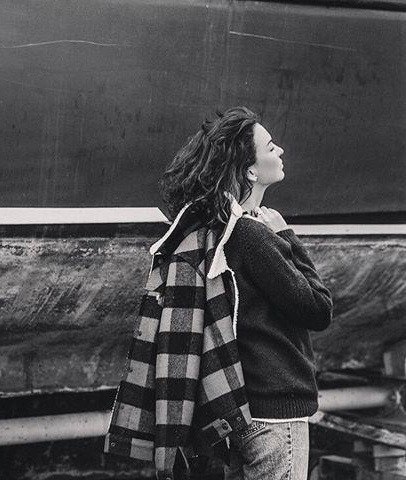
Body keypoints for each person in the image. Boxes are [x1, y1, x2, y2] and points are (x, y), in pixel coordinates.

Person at [158, 105, 334, 480]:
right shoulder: (253, 236)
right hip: (275, 416)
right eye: (270, 147)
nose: (280, 150)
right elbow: (318, 309)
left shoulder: (213, 232)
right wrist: (286, 236)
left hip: (238, 411)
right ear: (251, 171)